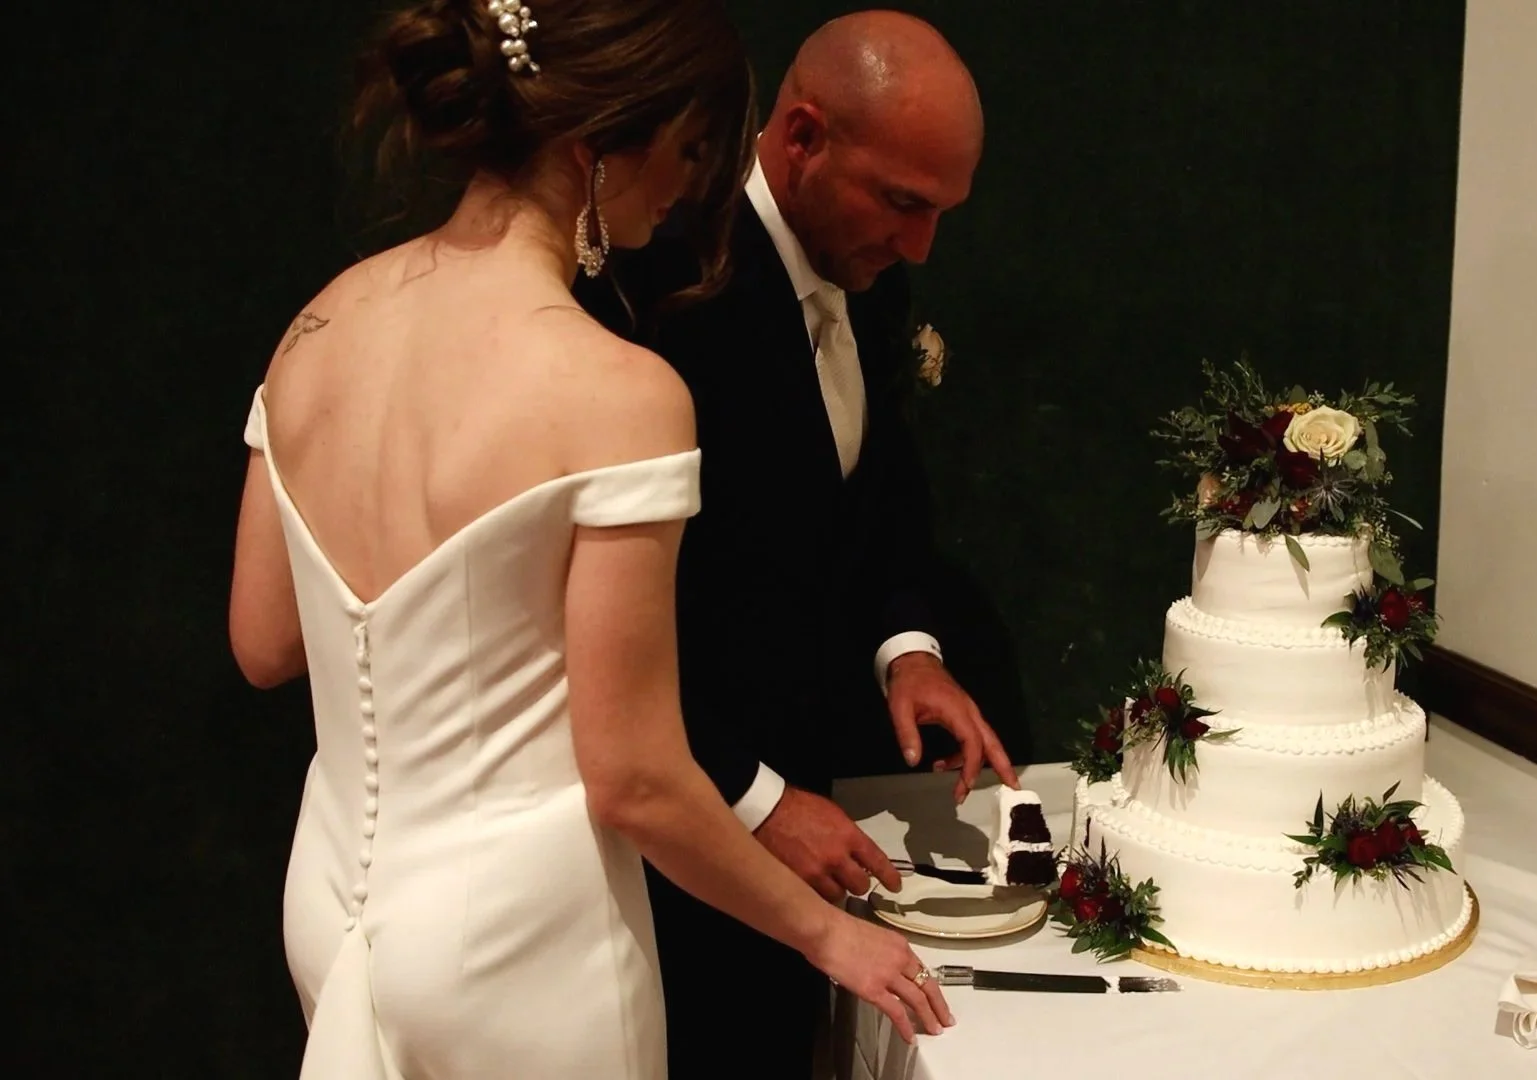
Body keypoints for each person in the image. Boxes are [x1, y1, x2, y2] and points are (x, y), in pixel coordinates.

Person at [226, 2, 951, 1075]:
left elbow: (266, 644)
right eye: (691, 146)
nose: (694, 184)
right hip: (521, 935)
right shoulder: (616, 392)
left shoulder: (319, 325)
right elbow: (635, 778)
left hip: (333, 899)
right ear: (597, 144)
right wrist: (829, 934)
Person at [577, 11, 1012, 1075]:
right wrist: (756, 800)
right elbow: (621, 618)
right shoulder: (665, 287)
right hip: (680, 841)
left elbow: (879, 489)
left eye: (942, 212)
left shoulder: (869, 275)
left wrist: (909, 648)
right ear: (802, 137)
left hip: (819, 804)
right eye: (904, 203)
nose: (919, 246)